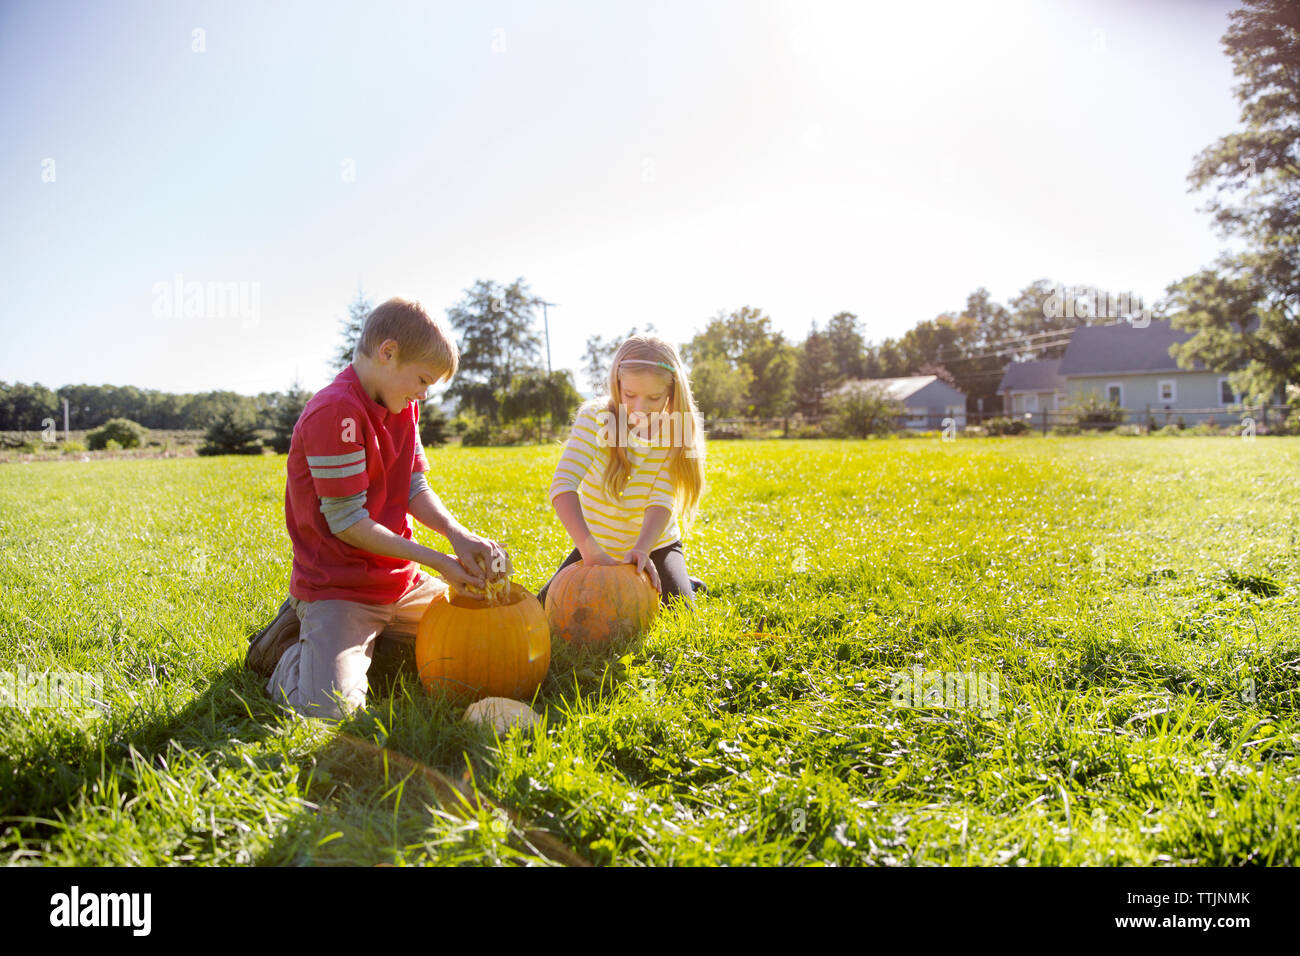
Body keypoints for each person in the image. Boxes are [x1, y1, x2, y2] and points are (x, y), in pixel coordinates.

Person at [246, 297, 509, 721]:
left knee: (488, 638)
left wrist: (456, 534)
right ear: (388, 353)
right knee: (329, 712)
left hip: (399, 581)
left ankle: (361, 641)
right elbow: (349, 522)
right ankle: (287, 651)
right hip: (340, 589)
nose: (423, 393)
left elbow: (413, 484)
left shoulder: (402, 404)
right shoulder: (336, 412)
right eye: (422, 379)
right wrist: (440, 561)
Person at [536, 334, 707, 608]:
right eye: (630, 395)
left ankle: (686, 583)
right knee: (547, 607)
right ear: (617, 385)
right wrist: (590, 551)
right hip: (597, 546)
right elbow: (563, 486)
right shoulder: (595, 418)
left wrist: (642, 549)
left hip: (654, 544)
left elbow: (661, 499)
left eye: (654, 397)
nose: (640, 408)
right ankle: (683, 581)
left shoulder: (675, 429)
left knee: (679, 610)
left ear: (671, 392)